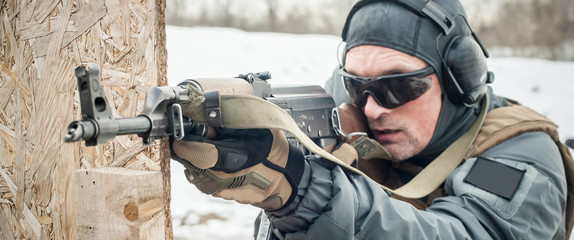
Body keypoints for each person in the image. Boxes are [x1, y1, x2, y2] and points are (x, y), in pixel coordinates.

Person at [171, 0, 574, 239]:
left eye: (400, 87)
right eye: (356, 84)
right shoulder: (352, 116)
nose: (373, 107)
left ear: (459, 79)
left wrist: (306, 191)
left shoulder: (520, 157)